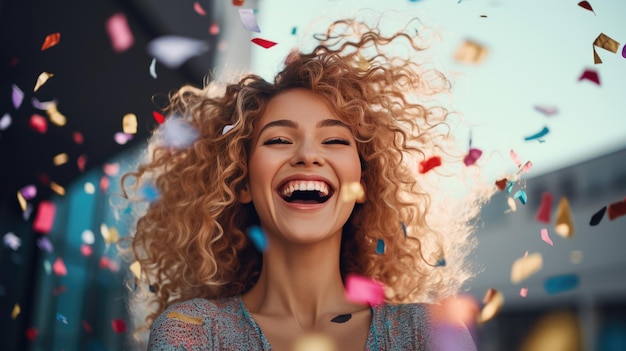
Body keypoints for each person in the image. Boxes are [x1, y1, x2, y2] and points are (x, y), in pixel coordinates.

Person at [121, 14, 492, 351]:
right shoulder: (192, 332)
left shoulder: (423, 334)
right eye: (279, 140)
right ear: (241, 180)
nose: (308, 156)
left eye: (334, 140)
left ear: (363, 183)